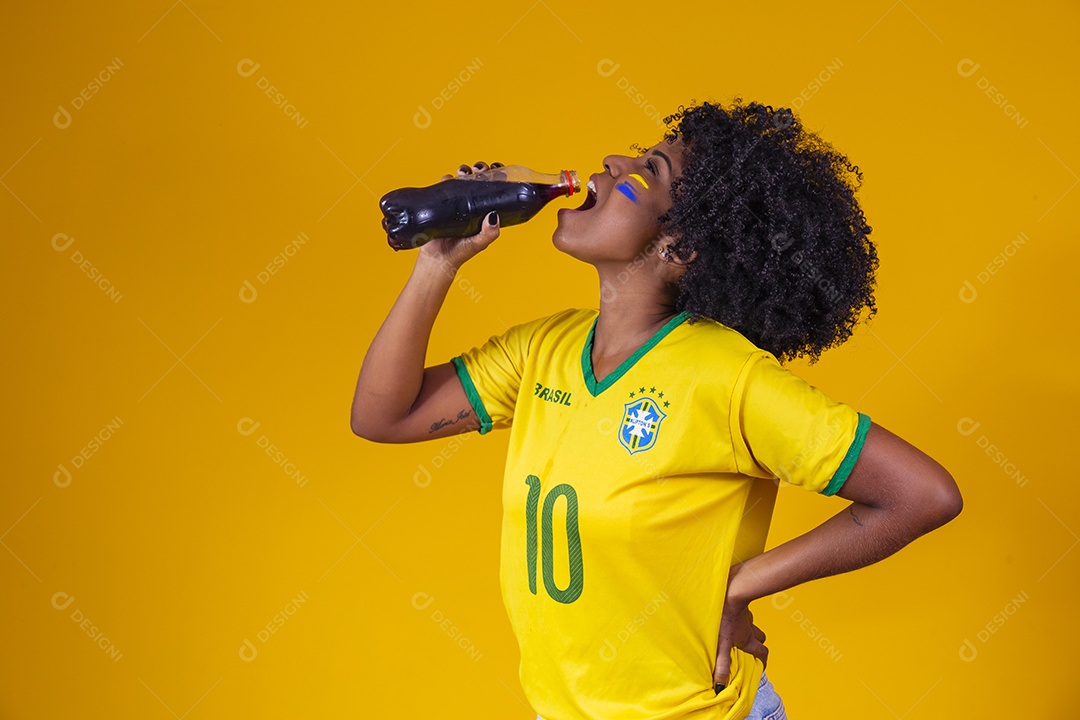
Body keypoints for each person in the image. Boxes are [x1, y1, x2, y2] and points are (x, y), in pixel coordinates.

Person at [351, 99, 963, 719]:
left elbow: (922, 494)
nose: (613, 161)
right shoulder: (543, 349)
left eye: (651, 169)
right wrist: (438, 262)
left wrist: (739, 588)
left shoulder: (726, 378)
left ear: (680, 247)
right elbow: (385, 416)